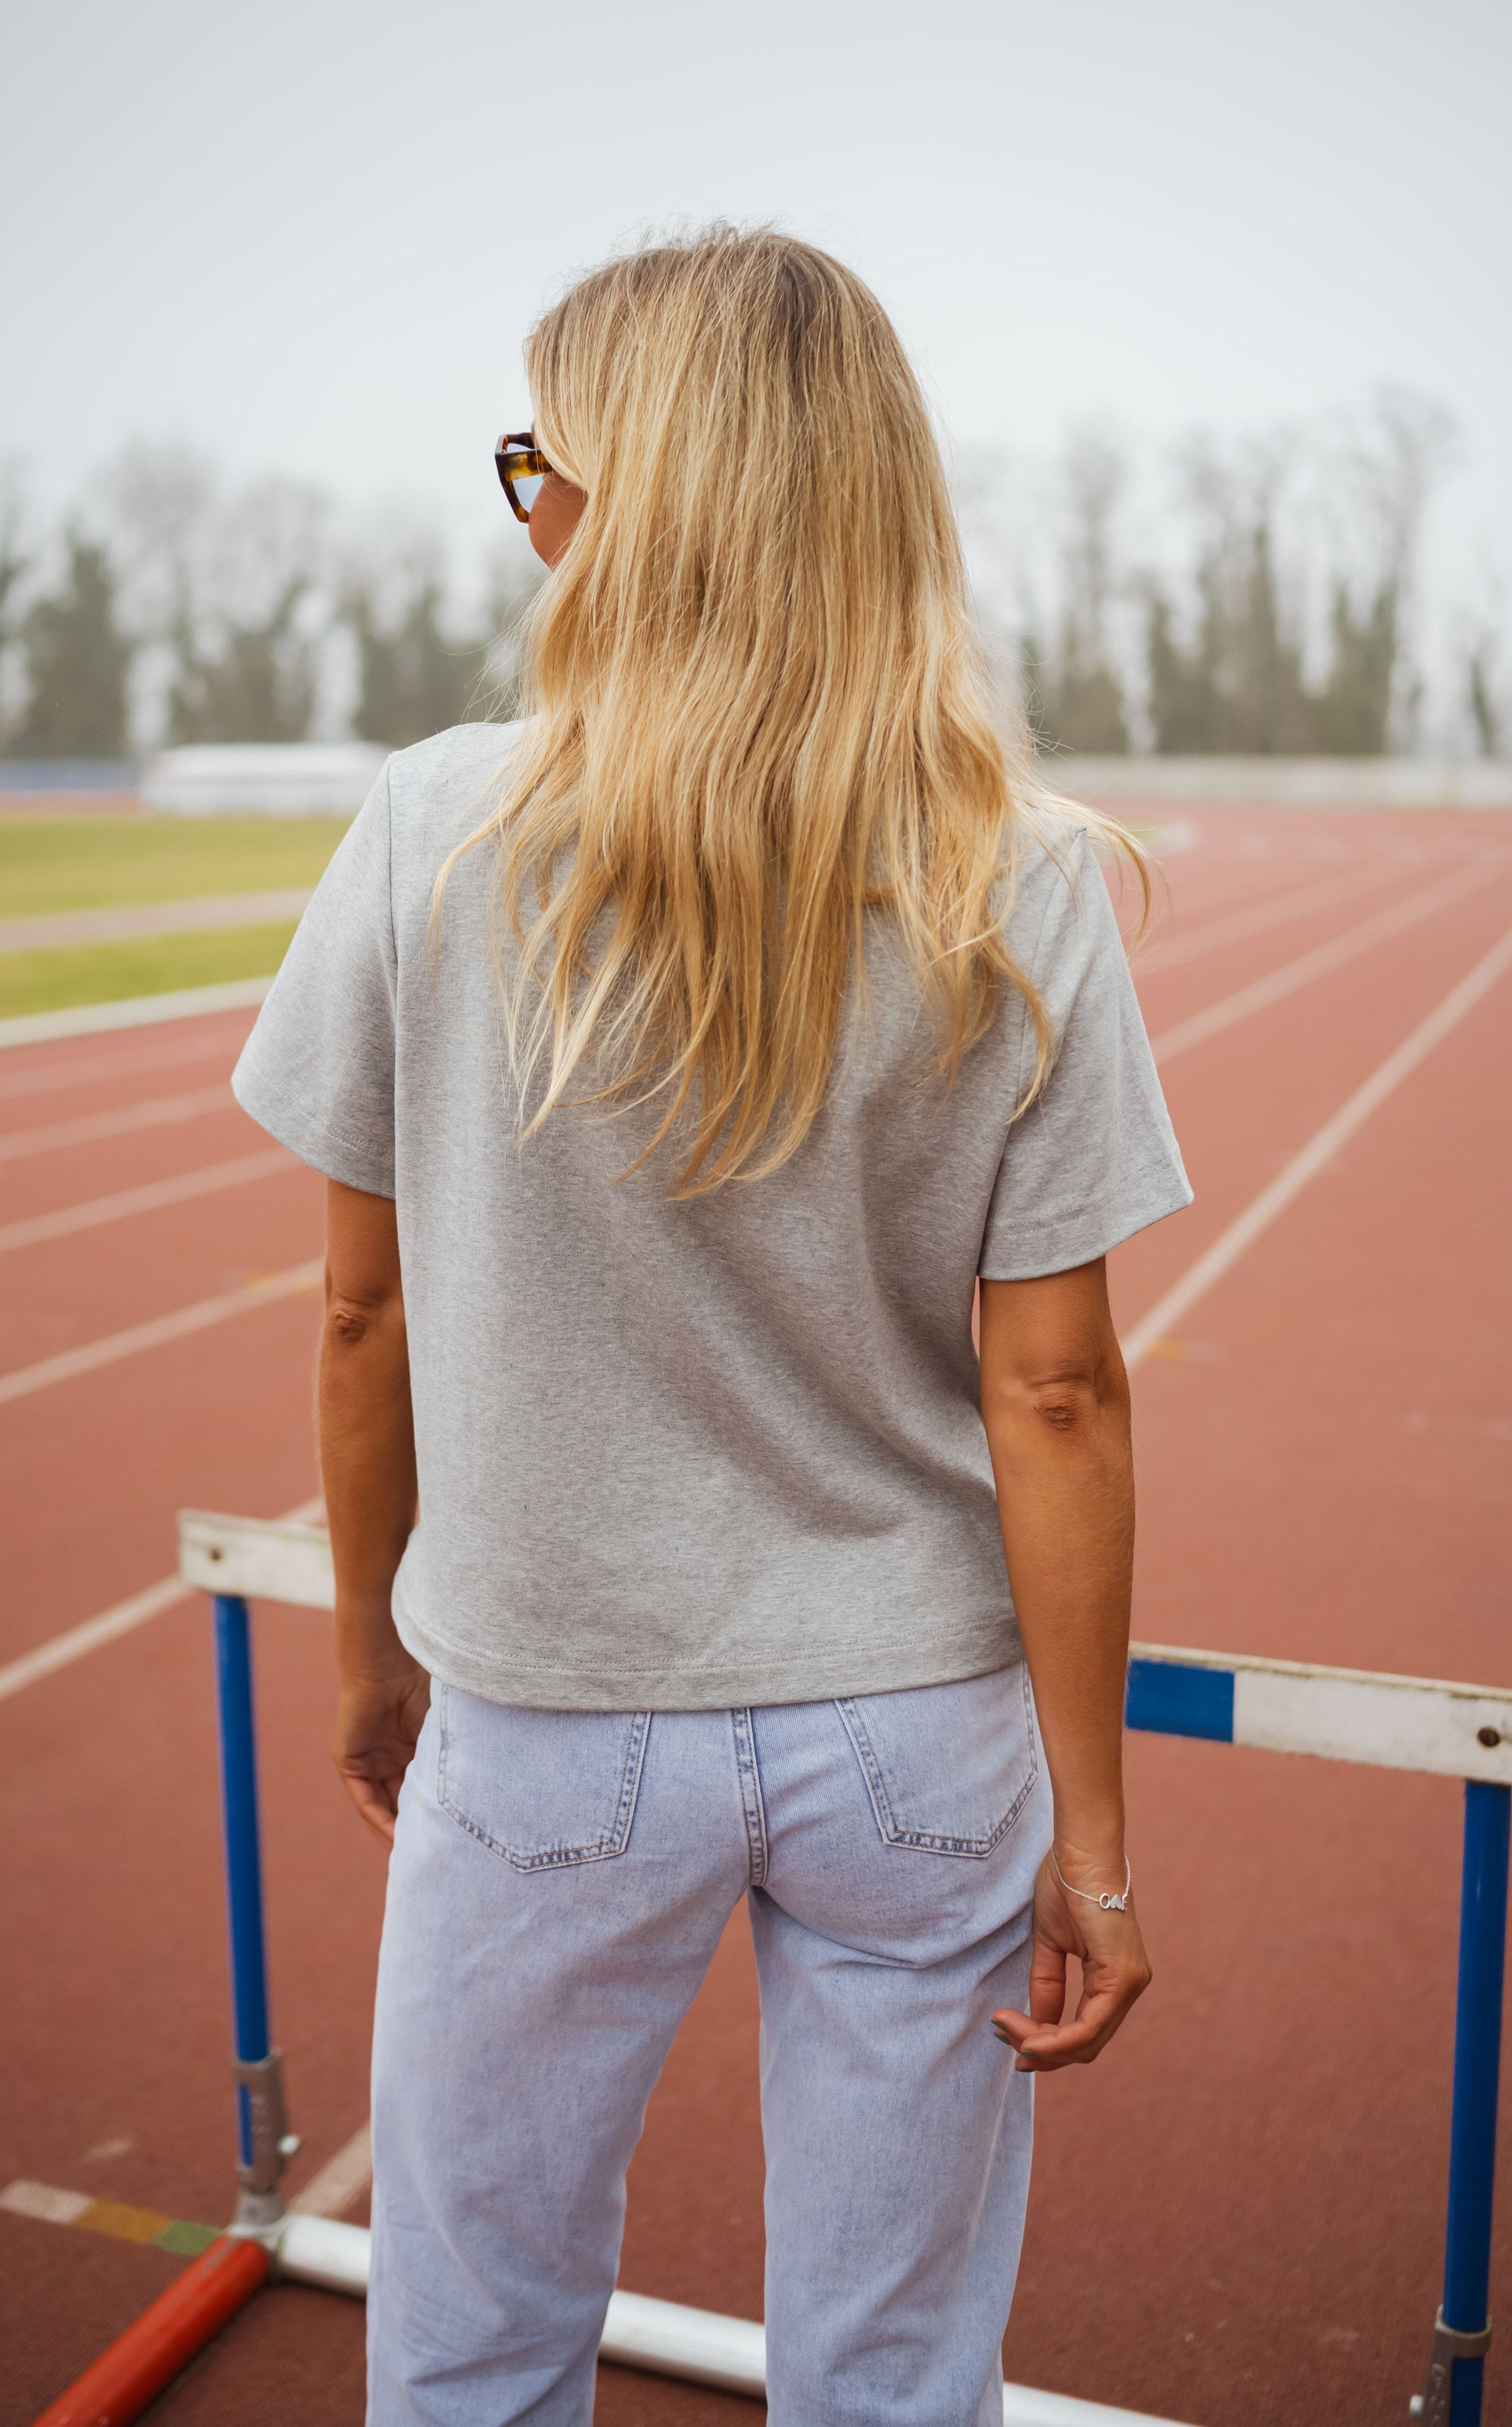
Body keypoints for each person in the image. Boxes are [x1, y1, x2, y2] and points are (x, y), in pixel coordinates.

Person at [233, 226, 1191, 2427]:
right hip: (916, 1733)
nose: (528, 512)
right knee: (892, 2363)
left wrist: (372, 1647)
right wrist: (1100, 1834)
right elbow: (1056, 1387)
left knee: (473, 2340)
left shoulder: (430, 827)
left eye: (536, 463)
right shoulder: (1008, 865)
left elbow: (362, 1314)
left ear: (632, 501)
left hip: (554, 1700)